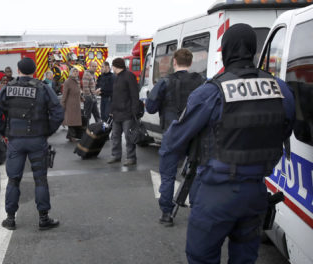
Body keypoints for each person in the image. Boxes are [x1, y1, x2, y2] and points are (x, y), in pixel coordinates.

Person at [159, 24, 295, 263]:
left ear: (225, 51)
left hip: (215, 193)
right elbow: (285, 128)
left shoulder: (210, 92)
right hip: (256, 193)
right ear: (254, 50)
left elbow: (173, 141)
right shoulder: (279, 88)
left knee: (201, 257)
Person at [0, 57, 64, 231]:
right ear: (35, 70)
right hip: (37, 139)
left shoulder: (8, 89)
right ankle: (43, 219)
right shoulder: (43, 88)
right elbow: (58, 113)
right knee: (40, 179)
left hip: (15, 140)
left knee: (13, 180)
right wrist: (47, 132)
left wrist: (5, 132)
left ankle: (10, 219)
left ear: (18, 70)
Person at [145, 48, 205, 226]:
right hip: (195, 134)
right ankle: (197, 211)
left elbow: (150, 108)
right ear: (191, 62)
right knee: (195, 173)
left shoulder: (165, 82)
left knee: (168, 175)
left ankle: (166, 214)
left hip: (172, 134)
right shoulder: (201, 81)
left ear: (174, 62)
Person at [107, 58, 139, 166]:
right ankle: (115, 155)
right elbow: (114, 96)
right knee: (115, 135)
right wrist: (111, 110)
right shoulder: (116, 77)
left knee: (128, 136)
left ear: (116, 66)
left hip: (127, 113)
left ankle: (131, 157)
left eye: (113, 66)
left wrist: (134, 111)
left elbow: (135, 95)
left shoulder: (129, 76)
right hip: (116, 113)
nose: (112, 68)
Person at [61, 68, 83, 142]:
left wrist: (81, 98)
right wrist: (63, 104)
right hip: (70, 105)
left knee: (74, 121)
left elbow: (78, 91)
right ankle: (72, 136)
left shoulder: (77, 81)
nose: (76, 73)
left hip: (76, 104)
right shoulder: (67, 82)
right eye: (74, 71)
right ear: (70, 73)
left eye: (77, 71)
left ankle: (70, 135)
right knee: (72, 121)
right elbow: (64, 95)